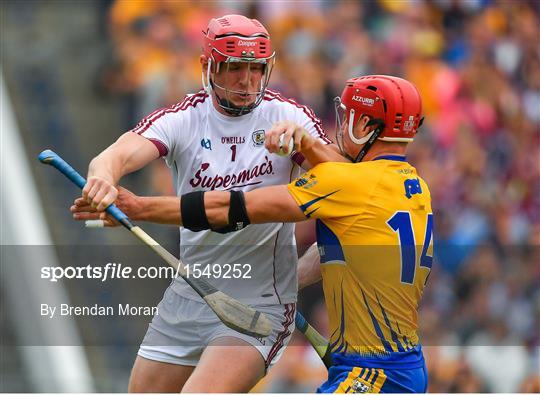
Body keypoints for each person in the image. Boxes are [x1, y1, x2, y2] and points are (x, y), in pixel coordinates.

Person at [74, 74, 433, 393]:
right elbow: (338, 254)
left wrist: (138, 208)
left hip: (375, 373)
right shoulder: (415, 188)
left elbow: (228, 209)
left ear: (366, 125)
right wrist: (279, 288)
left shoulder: (348, 184)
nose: (341, 126)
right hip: (396, 365)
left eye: (349, 116)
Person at [75, 14, 343, 393]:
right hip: (189, 294)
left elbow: (347, 182)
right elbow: (116, 154)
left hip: (261, 302)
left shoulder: (287, 115)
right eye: (235, 68)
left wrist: (308, 145)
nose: (247, 81)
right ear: (208, 66)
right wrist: (102, 178)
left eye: (256, 69)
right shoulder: (184, 118)